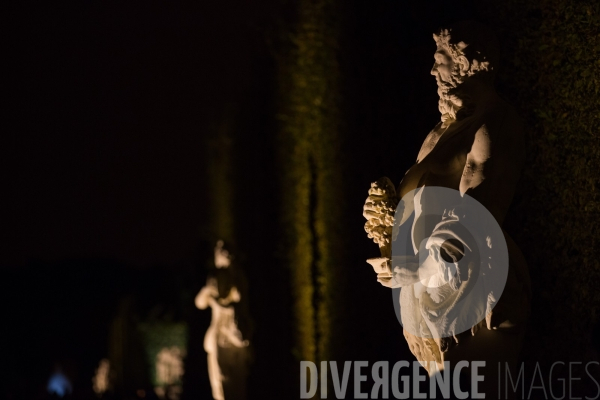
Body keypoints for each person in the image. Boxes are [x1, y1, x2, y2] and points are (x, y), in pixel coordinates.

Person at [363, 21, 531, 397]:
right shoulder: (444, 131)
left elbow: (477, 218)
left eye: (439, 61)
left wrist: (415, 266)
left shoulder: (491, 124)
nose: (432, 71)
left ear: (464, 63)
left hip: (470, 296)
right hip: (432, 296)